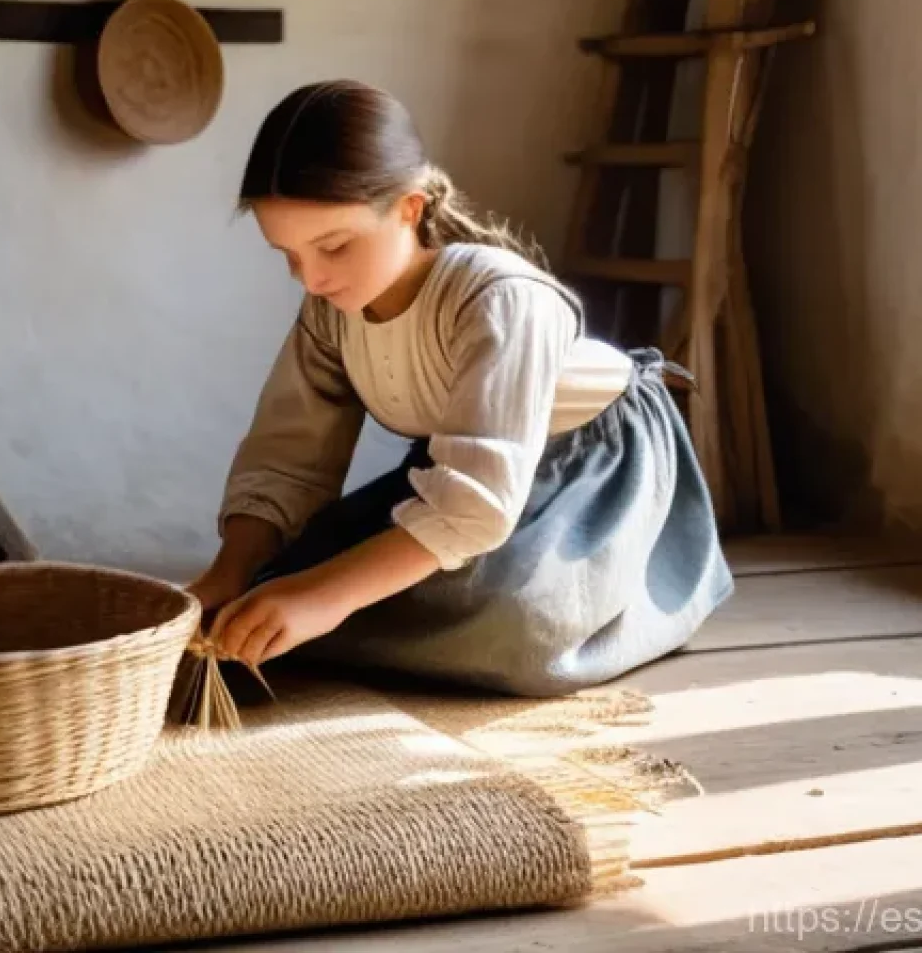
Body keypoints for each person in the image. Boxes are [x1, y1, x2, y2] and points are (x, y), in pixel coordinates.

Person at [187, 79, 733, 697]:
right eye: (286, 254)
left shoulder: (500, 297)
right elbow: (290, 456)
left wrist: (323, 599)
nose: (310, 277)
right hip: (461, 470)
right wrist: (231, 572)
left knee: (512, 629)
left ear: (410, 209)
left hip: (589, 471)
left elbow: (476, 506)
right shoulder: (330, 312)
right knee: (281, 582)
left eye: (334, 245)